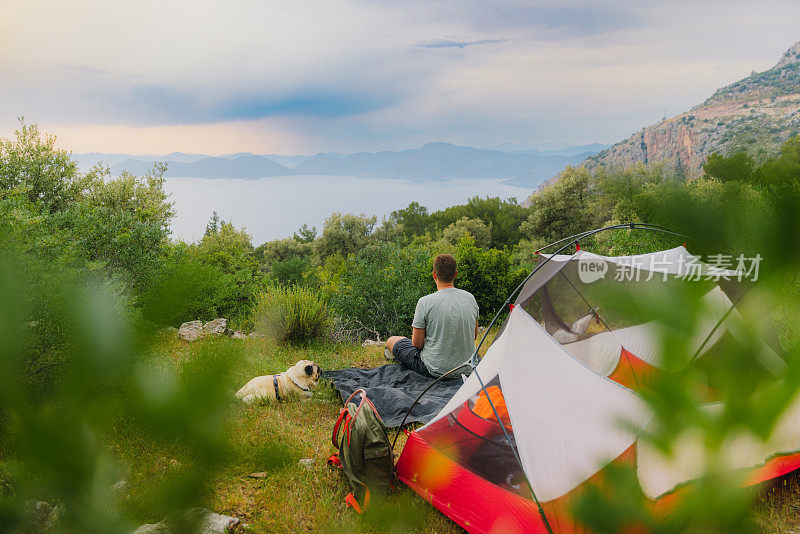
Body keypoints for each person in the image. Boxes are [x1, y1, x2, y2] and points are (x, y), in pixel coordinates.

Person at [384, 254, 479, 377]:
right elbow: (474, 335)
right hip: (467, 368)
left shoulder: (425, 302)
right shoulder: (470, 298)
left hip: (435, 370)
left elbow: (417, 344)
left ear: (434, 274)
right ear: (455, 274)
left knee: (392, 340)